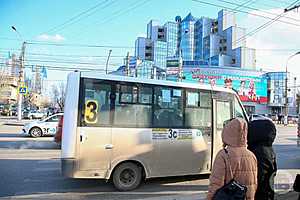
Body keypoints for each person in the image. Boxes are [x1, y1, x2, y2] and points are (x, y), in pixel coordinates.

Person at [207, 118, 258, 200]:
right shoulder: (251, 156)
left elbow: (215, 185)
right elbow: (254, 184)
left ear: (226, 133)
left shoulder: (223, 155)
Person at [248, 119, 277, 200]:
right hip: (267, 193)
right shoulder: (268, 148)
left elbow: (259, 177)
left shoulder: (259, 152)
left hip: (260, 194)